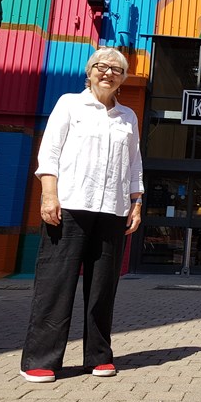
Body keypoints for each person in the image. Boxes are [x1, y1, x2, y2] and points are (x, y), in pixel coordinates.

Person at [20, 47, 144, 383]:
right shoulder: (69, 104)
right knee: (55, 285)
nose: (108, 72)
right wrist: (49, 195)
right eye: (101, 67)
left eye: (116, 69)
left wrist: (136, 202)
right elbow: (50, 154)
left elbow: (134, 164)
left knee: (103, 289)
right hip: (70, 206)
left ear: (122, 79)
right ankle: (41, 359)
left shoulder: (128, 117)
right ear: (89, 73)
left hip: (112, 212)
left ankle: (99, 356)